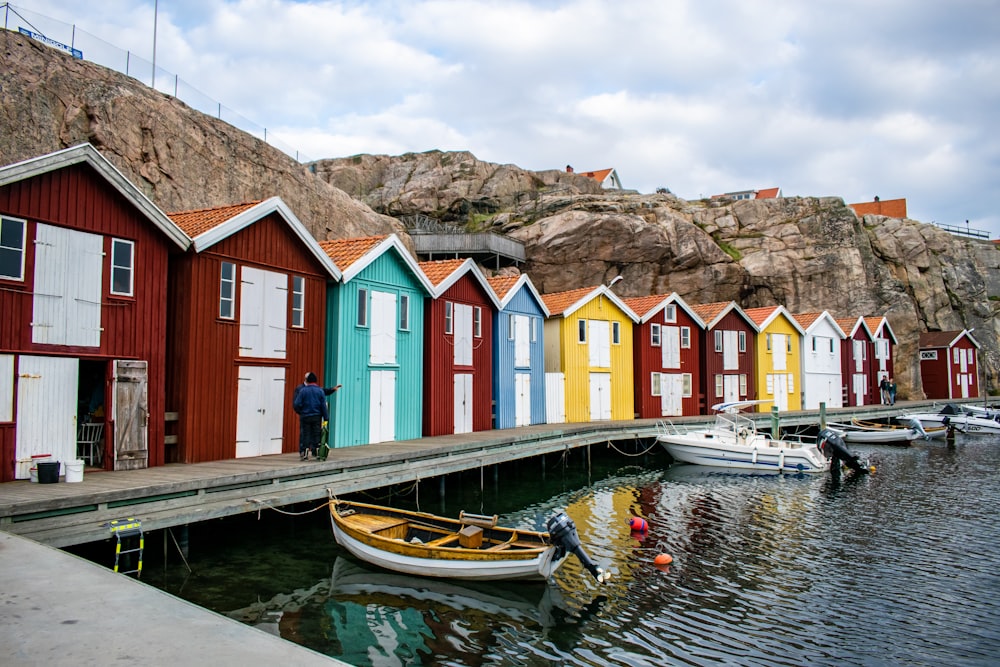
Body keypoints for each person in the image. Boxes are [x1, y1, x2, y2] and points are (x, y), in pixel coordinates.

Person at [293, 372, 328, 461]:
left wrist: (300, 412)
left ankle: (304, 453)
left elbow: (296, 404)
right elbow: (323, 405)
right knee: (316, 434)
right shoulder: (320, 391)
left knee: (305, 434)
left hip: (305, 416)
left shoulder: (303, 390)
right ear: (315, 381)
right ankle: (316, 452)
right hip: (317, 416)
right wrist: (326, 417)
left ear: (307, 381)